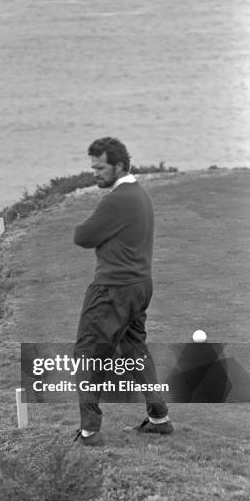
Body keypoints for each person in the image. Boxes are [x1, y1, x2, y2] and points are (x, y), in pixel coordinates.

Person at [73, 137, 173, 446]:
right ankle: (159, 418)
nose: (95, 173)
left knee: (88, 354)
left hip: (112, 289)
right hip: (139, 286)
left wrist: (102, 239)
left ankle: (90, 431)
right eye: (92, 167)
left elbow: (83, 235)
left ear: (119, 165)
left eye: (100, 167)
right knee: (134, 350)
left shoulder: (117, 200)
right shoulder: (139, 194)